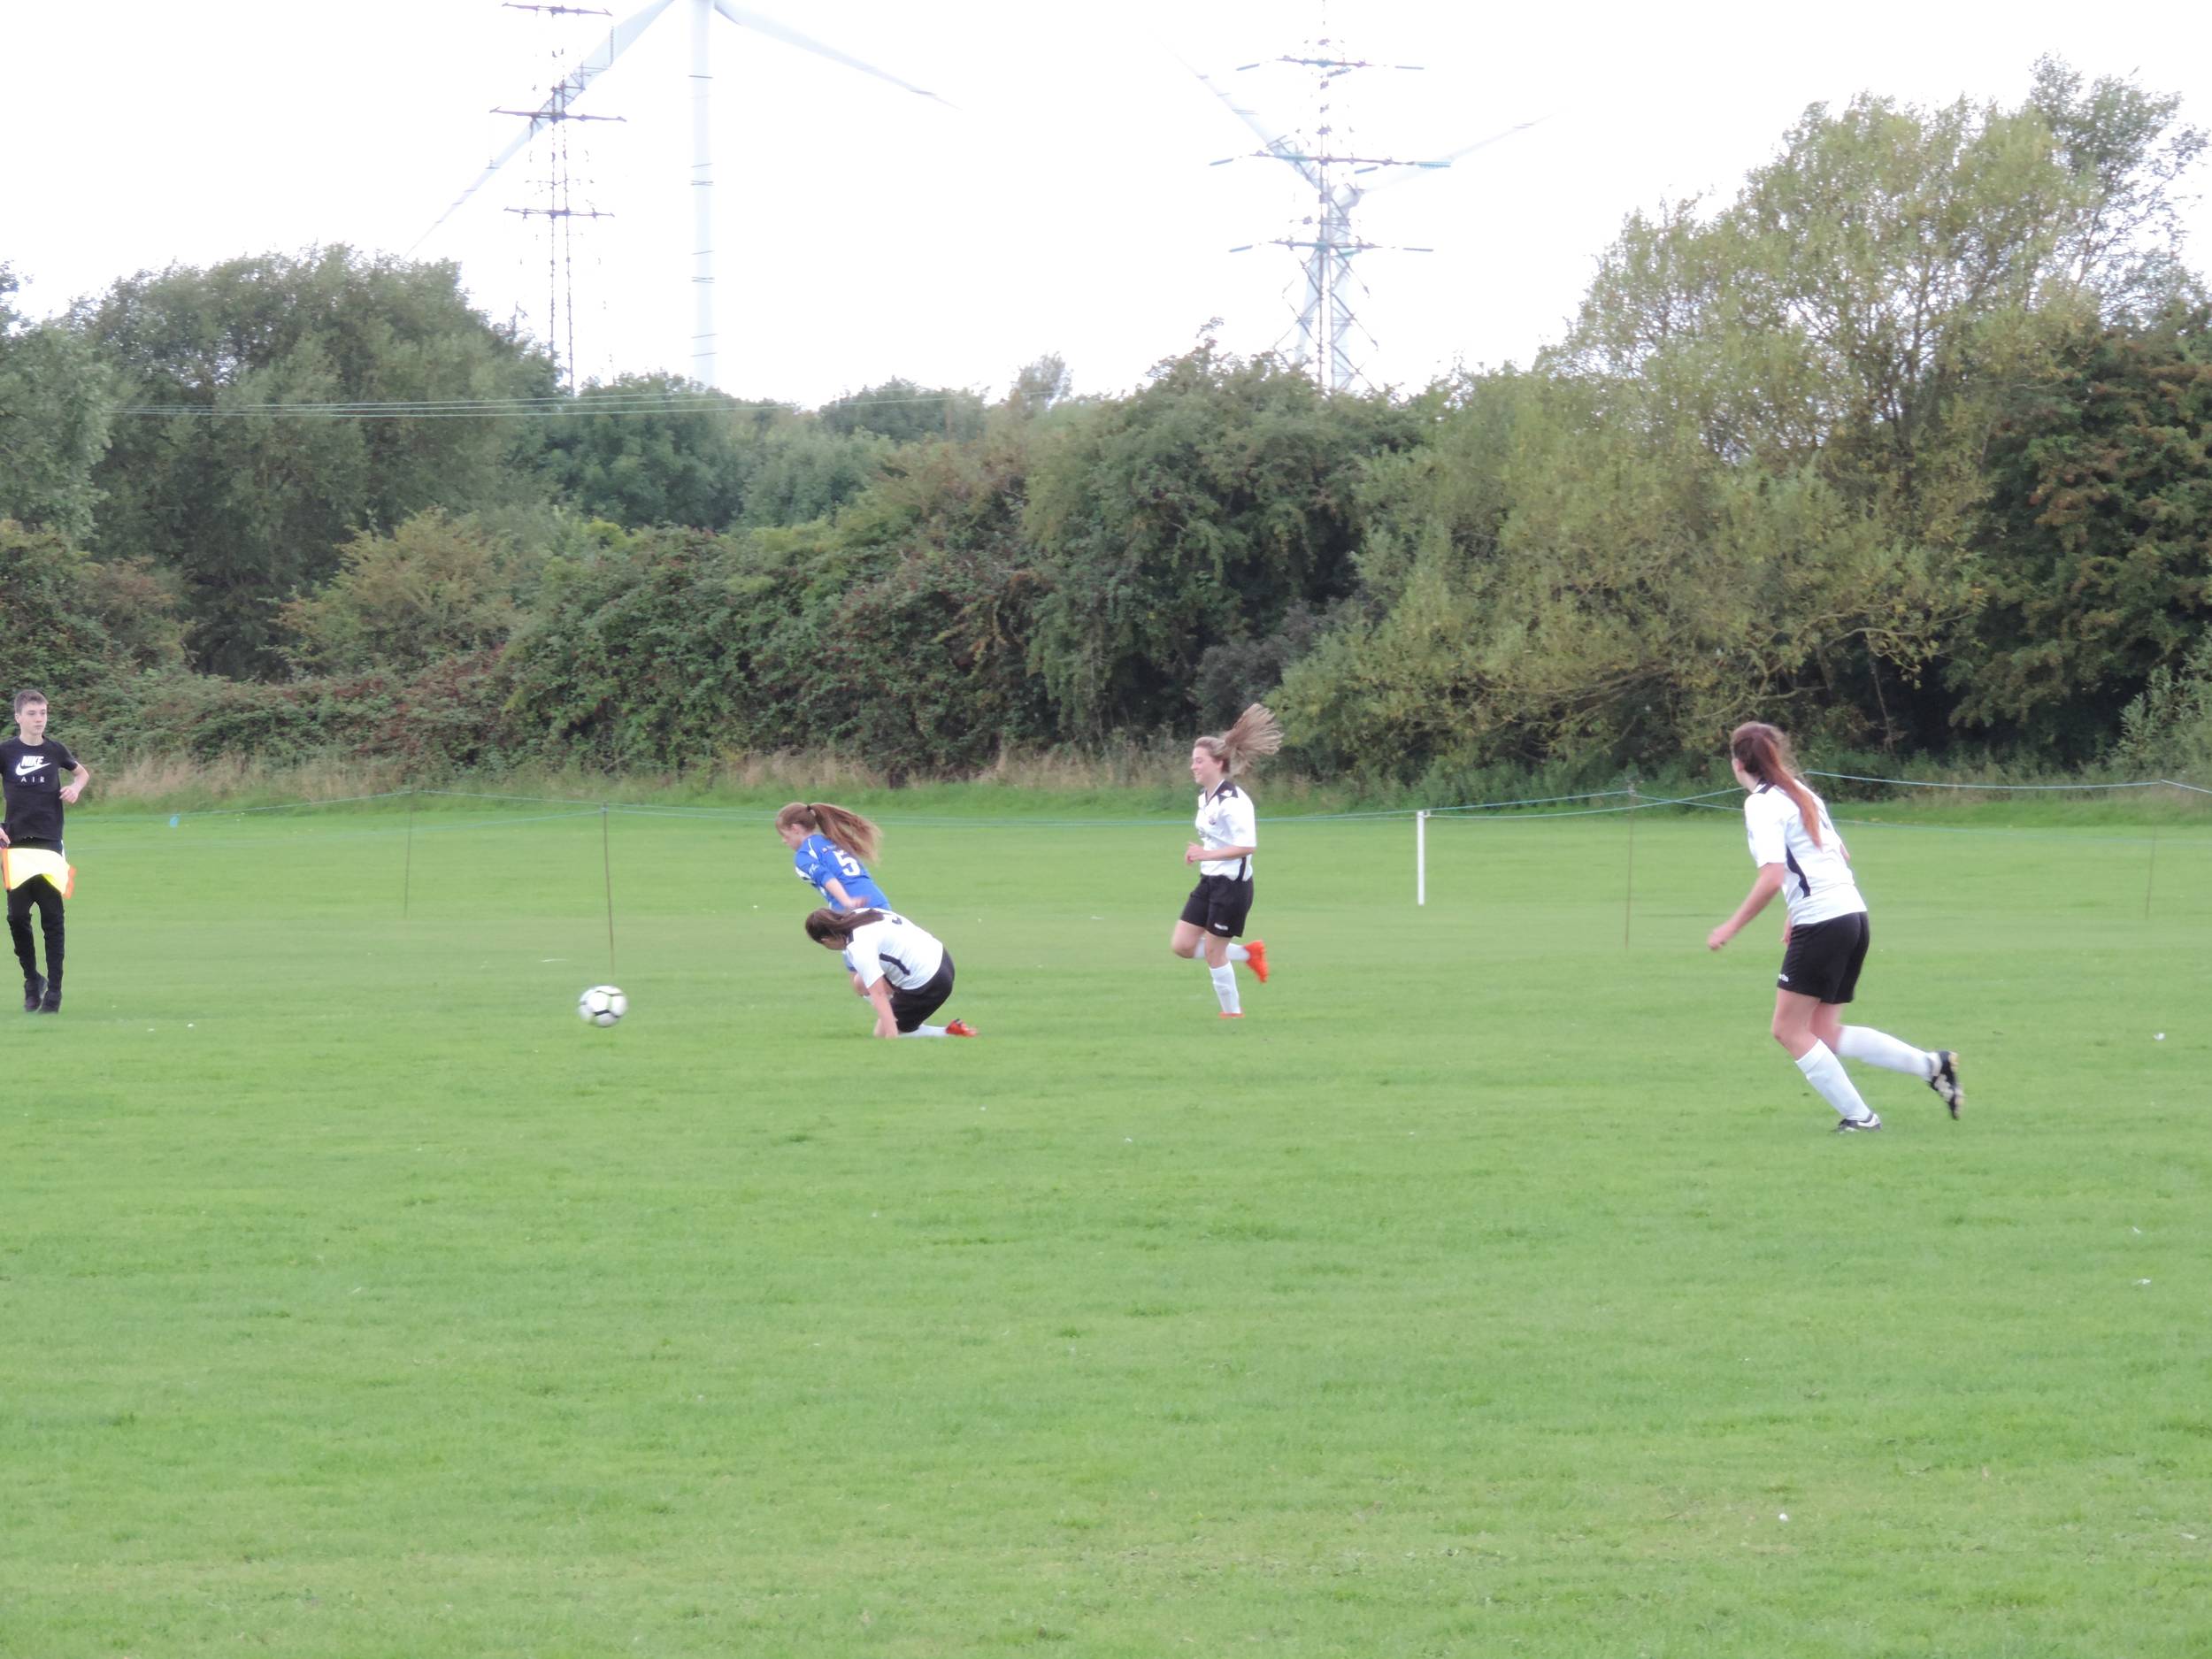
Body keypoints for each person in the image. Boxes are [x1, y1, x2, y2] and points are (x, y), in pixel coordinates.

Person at [1706, 720, 1962, 1132]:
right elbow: (1837, 854)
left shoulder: (1762, 804)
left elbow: (1772, 876)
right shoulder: (1801, 792)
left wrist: (1730, 927)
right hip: (1852, 916)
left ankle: (1861, 1118)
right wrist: (1794, 911)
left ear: (1737, 763)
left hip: (1823, 921)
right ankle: (1932, 1065)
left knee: (1787, 1030)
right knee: (1823, 1030)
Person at [1171, 703, 1280, 1019]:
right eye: (1193, 761)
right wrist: (1200, 852)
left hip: (1232, 886)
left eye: (1199, 761)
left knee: (1214, 952)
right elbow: (1216, 838)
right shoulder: (1204, 798)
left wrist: (1206, 854)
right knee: (1182, 945)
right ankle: (1249, 954)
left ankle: (1233, 1015)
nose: (1193, 766)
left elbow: (1247, 846)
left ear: (1218, 763)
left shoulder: (1234, 801)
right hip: (1209, 880)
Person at [1, 688, 90, 1015]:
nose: (39, 719)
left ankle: (54, 991)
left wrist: (75, 788)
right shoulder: (6, 752)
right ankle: (31, 980)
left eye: (43, 713)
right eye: (33, 714)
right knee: (17, 917)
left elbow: (81, 773)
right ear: (18, 717)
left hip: (50, 845)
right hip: (15, 846)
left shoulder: (55, 750)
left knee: (52, 919)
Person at [803, 906, 976, 1039]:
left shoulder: (858, 946)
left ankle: (951, 1033)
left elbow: (878, 993)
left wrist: (891, 1037)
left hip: (929, 984)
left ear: (825, 940)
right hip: (941, 958)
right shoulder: (861, 914)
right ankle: (904, 1017)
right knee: (860, 982)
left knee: (882, 1034)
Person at [776, 802, 891, 911]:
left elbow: (825, 876)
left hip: (853, 909)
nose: (784, 841)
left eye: (784, 835)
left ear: (795, 829)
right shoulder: (834, 841)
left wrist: (847, 901)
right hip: (879, 902)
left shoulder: (805, 854)